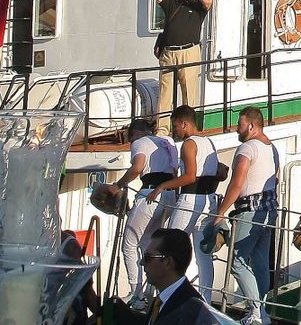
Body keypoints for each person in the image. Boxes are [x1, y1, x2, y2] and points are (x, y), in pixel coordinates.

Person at [210, 107, 281, 325]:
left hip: (249, 210)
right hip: (269, 210)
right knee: (260, 262)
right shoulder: (272, 148)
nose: (236, 129)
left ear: (251, 126)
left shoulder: (247, 148)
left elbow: (237, 183)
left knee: (237, 262)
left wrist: (220, 212)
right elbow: (276, 179)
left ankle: (257, 312)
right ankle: (262, 312)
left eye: (239, 125)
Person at [148, 105, 222, 299]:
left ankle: (167, 295)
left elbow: (190, 176)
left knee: (170, 246)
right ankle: (205, 298)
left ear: (184, 123)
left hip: (191, 199)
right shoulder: (209, 142)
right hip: (209, 201)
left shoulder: (189, 144)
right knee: (203, 256)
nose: (175, 131)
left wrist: (162, 186)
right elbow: (219, 171)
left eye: (175, 126)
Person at [115, 117, 181, 308]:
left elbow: (137, 167)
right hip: (169, 196)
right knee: (148, 244)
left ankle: (136, 295)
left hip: (151, 195)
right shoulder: (166, 142)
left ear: (134, 133)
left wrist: (118, 185)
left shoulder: (140, 142)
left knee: (129, 243)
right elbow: (174, 172)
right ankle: (150, 292)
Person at [151, 0, 211, 130]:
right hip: (169, 54)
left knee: (188, 93)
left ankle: (188, 128)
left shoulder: (198, 6)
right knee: (165, 93)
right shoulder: (173, 3)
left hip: (189, 52)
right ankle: (162, 129)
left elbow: (208, 2)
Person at [140, 228, 218, 325]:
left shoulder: (189, 310)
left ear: (167, 262)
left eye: (148, 257)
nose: (142, 262)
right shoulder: (163, 299)